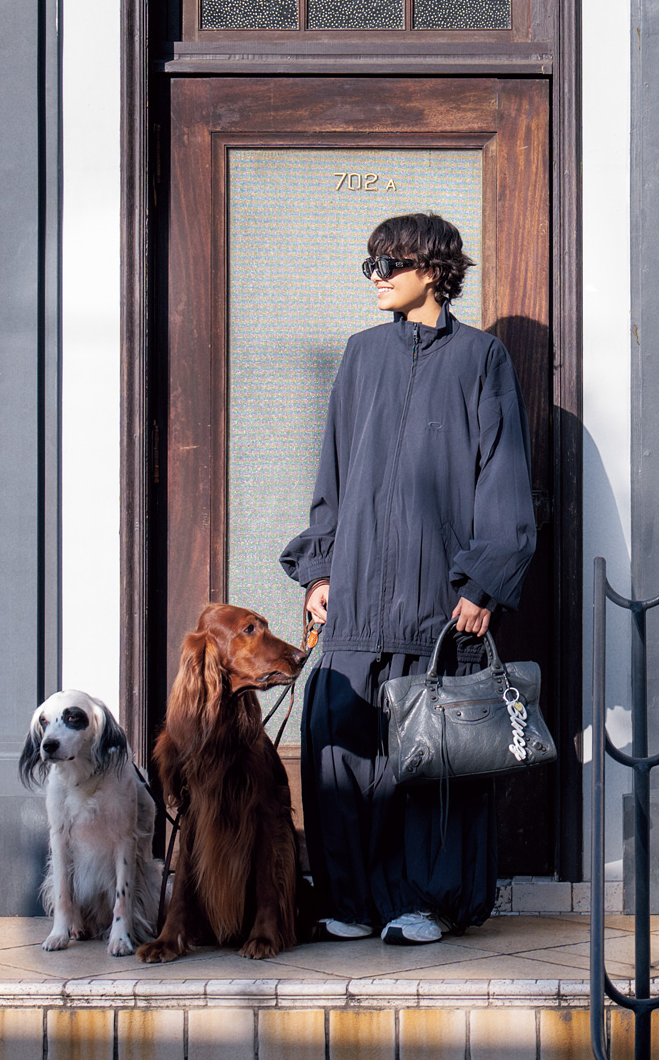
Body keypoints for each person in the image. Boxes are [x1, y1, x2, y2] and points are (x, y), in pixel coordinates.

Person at [279, 212, 536, 944]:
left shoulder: (482, 358)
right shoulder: (361, 354)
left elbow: (503, 475)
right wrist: (319, 569)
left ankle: (427, 903)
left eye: (390, 263)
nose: (378, 277)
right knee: (342, 750)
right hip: (357, 595)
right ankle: (353, 900)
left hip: (437, 604)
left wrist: (483, 582)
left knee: (432, 758)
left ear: (433, 270)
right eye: (372, 264)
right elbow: (333, 469)